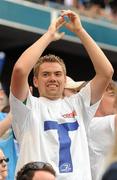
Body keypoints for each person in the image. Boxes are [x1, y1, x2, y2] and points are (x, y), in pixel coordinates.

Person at [10, 9, 113, 180]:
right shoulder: (27, 107)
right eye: (45, 74)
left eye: (57, 74)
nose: (52, 78)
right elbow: (20, 70)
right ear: (35, 82)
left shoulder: (78, 104)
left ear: (65, 80)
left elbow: (106, 72)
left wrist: (80, 31)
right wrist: (49, 35)